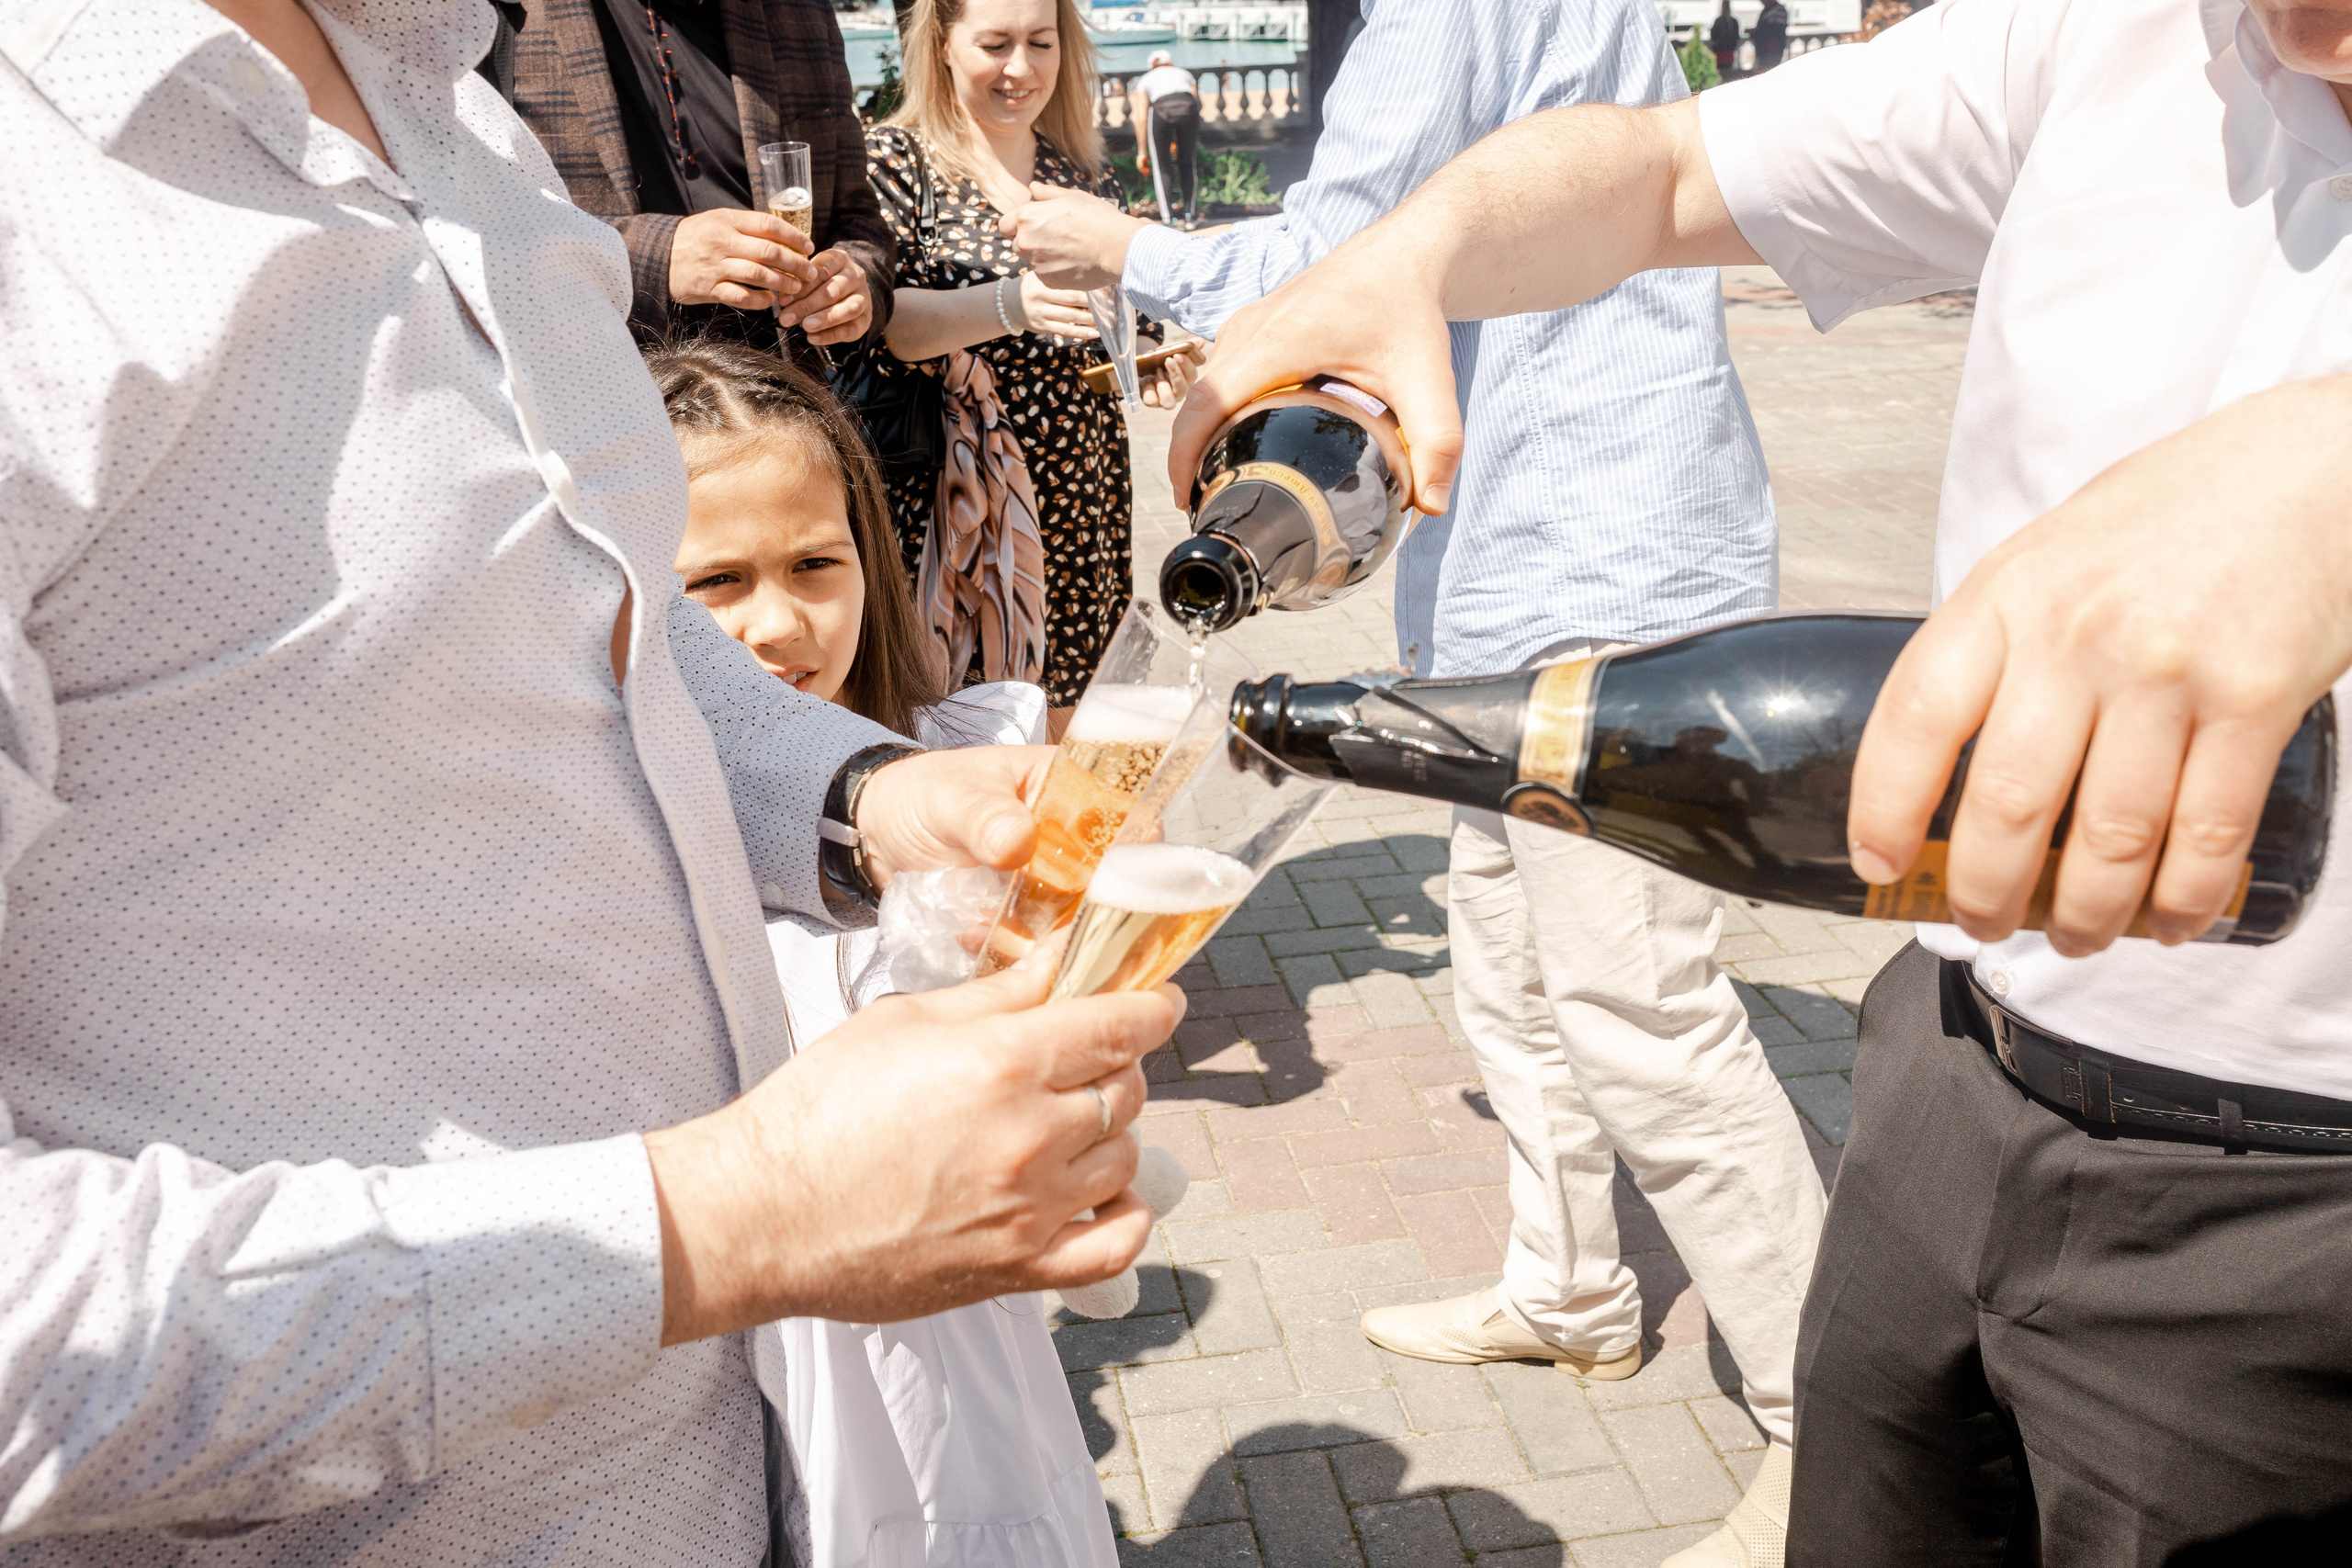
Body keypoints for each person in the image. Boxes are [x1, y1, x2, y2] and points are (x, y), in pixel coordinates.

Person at [1164, 0, 2352, 1555]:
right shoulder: (2115, 30)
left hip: (2305, 1226)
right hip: (1954, 1067)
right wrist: (1422, 247)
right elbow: (1658, 172)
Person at [0, 0, 1182, 1560]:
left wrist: (866, 799)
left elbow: (600, 615)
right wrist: (738, 1220)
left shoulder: (456, 116)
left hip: (738, 1468)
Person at [1003, 5, 1820, 1562]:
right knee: (1509, 960)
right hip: (1522, 555)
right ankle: (1573, 1286)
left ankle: (1829, 1426)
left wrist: (1119, 240)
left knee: (1640, 1006)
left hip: (1591, 557)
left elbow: (1338, 257)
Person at [649, 339, 1112, 1567]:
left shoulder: (953, 769)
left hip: (964, 1357)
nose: (780, 623)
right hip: (743, 1367)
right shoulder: (625, 865)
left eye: (816, 562)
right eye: (717, 582)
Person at [858, 0, 1194, 715]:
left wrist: (1150, 362)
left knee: (1078, 710)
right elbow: (888, 323)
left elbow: (1117, 321)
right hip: (960, 502)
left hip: (1082, 492)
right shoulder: (896, 161)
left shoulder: (1083, 175)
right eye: (996, 44)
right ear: (942, 45)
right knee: (973, 721)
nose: (1021, 68)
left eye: (1041, 43)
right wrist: (1012, 303)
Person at [511, 0, 888, 367]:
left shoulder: (803, 12)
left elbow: (858, 218)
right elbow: (486, 234)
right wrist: (657, 256)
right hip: (600, 401)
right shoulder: (499, 16)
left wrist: (854, 284)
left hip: (781, 407)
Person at [1131, 48, 1201, 229]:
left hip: (1161, 112)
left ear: (1151, 66)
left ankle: (1168, 219)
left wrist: (1141, 152)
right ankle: (1190, 217)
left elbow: (1141, 119)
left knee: (1162, 166)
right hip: (1189, 111)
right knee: (1187, 163)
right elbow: (1195, 102)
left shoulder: (1146, 80)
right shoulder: (1185, 74)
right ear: (1170, 62)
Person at [1750, 0, 1787, 71]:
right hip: (1763, 50)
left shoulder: (1779, 10)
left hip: (1772, 50)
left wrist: (1758, 31)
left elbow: (1776, 31)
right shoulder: (1766, 10)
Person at [1709, 0, 1742, 75]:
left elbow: (1713, 36)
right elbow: (1736, 37)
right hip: (1728, 52)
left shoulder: (1718, 21)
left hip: (1720, 52)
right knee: (1729, 72)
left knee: (1720, 73)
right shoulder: (1733, 21)